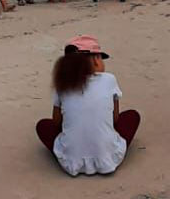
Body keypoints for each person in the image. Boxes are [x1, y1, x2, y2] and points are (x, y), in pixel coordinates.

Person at [35, 35, 140, 176]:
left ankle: (76, 146)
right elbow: (114, 119)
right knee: (132, 116)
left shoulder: (62, 83)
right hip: (107, 159)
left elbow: (56, 122)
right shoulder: (109, 79)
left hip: (70, 162)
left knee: (43, 126)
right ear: (95, 59)